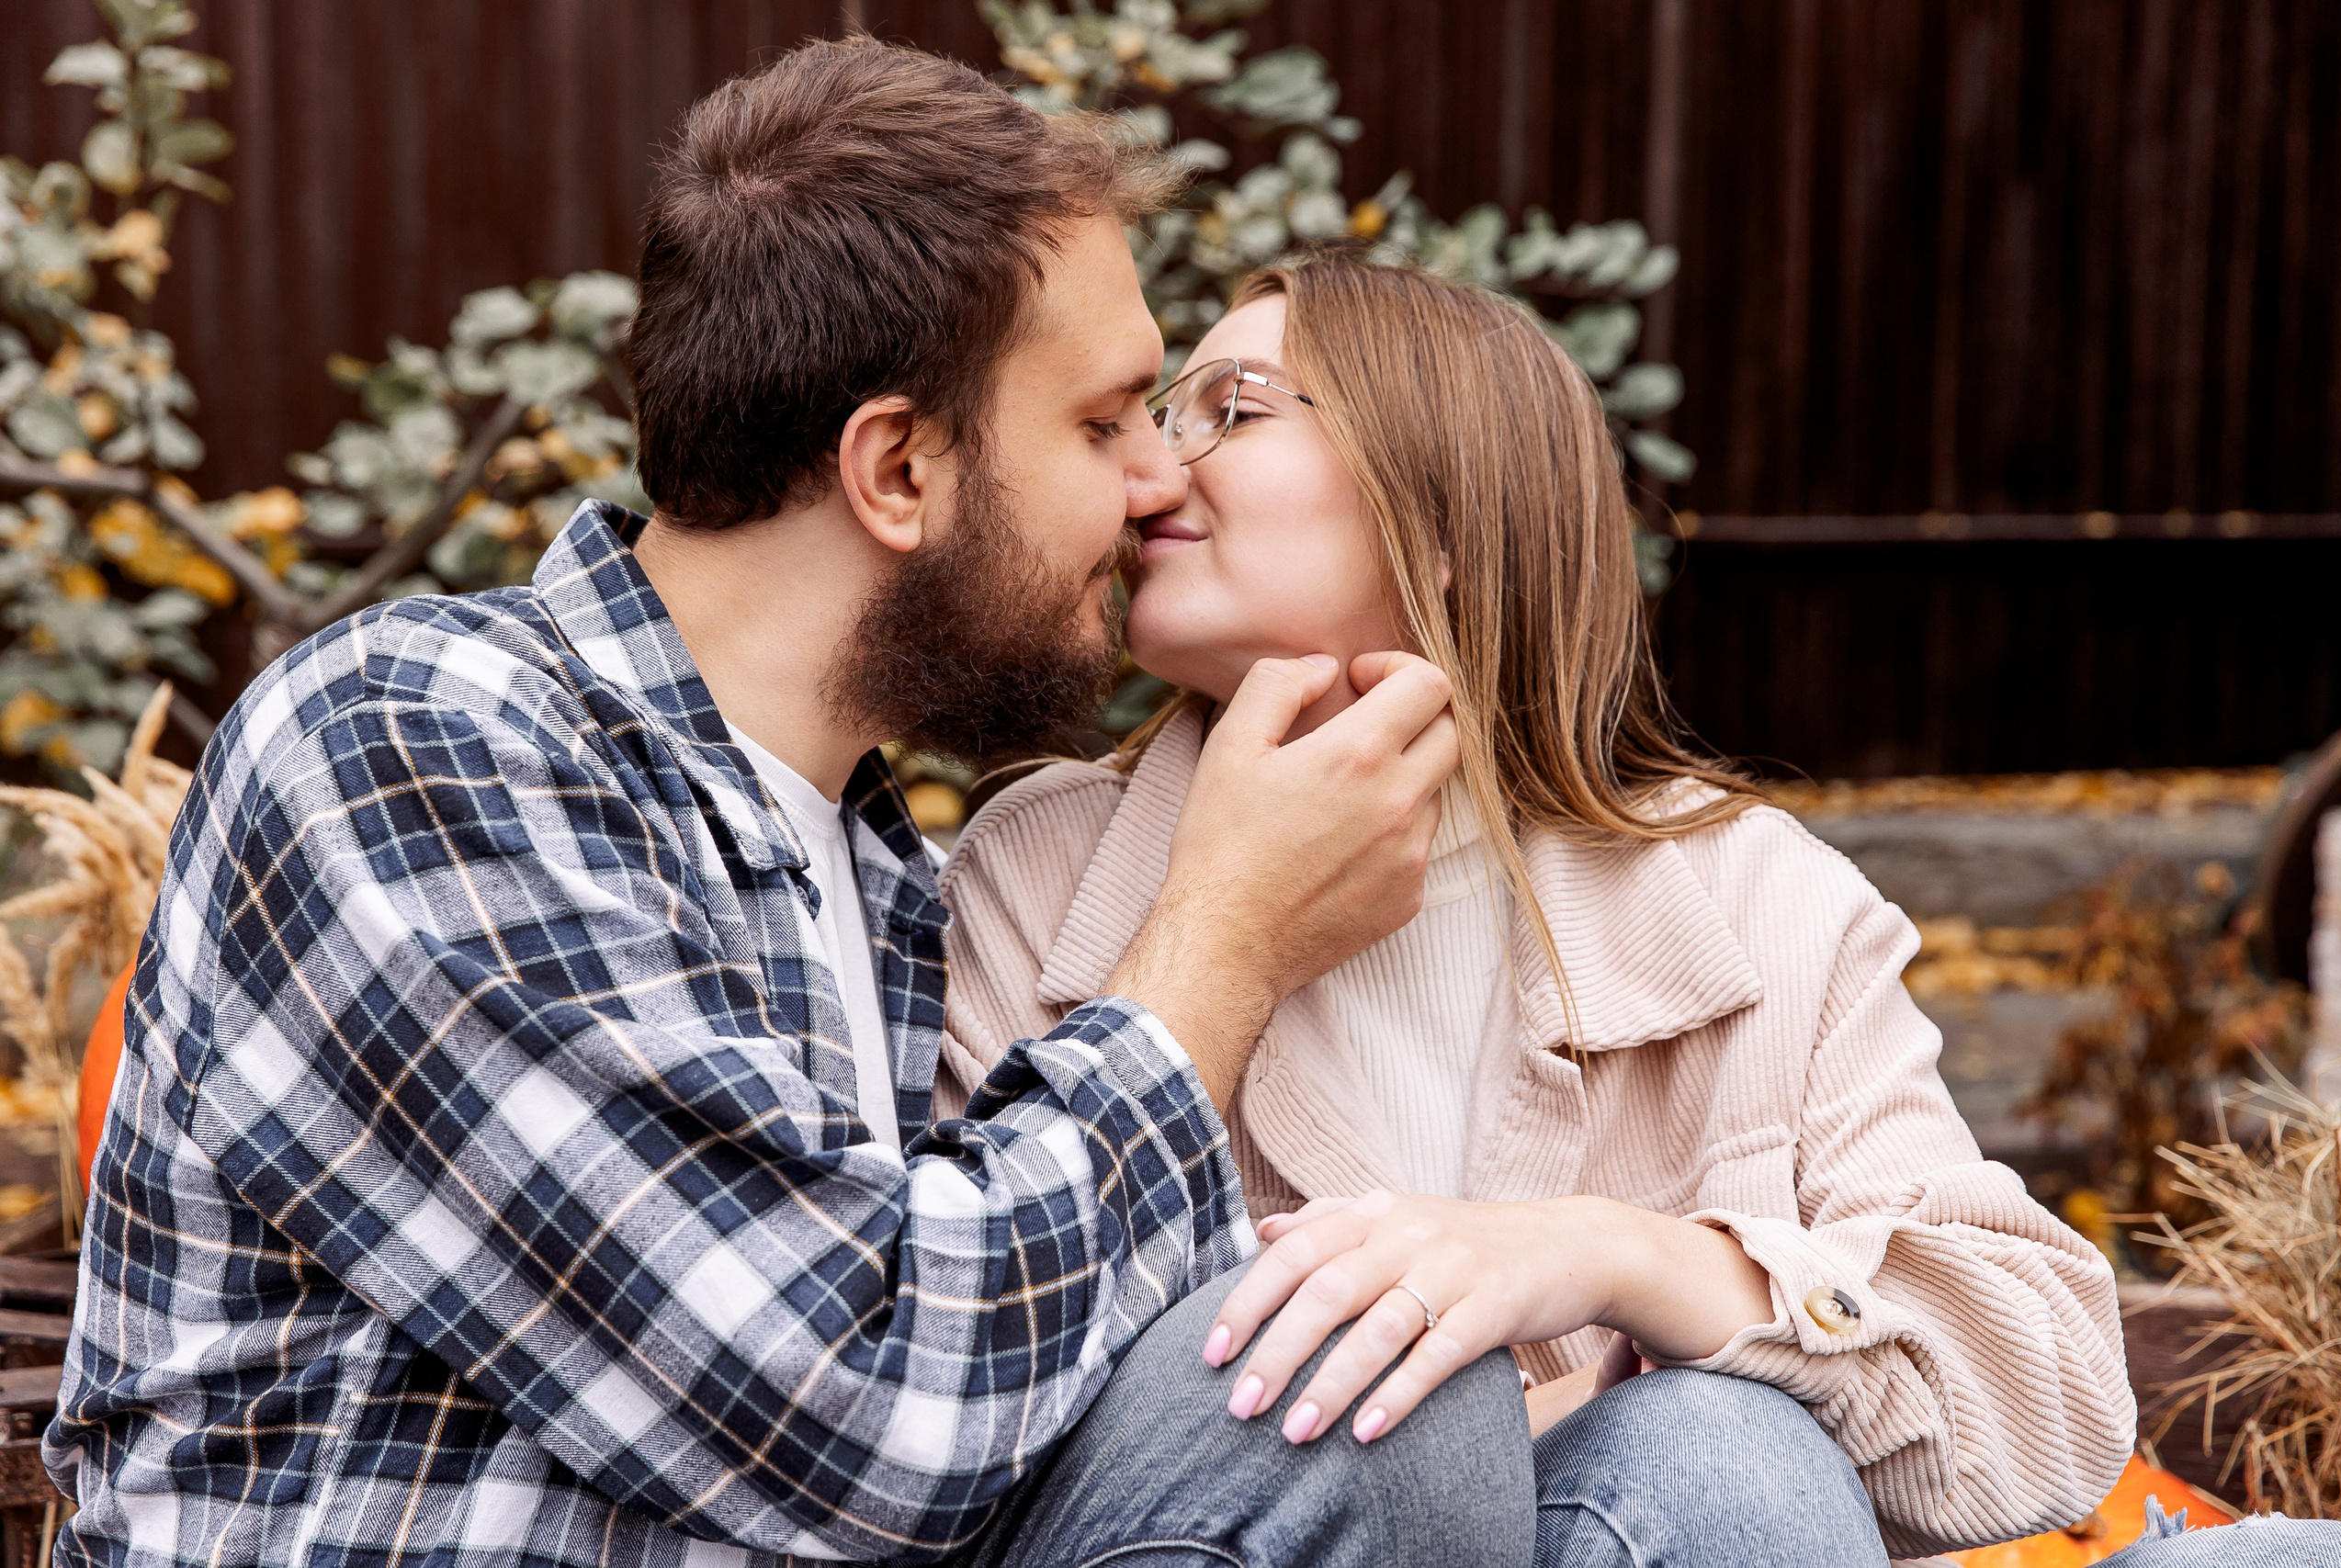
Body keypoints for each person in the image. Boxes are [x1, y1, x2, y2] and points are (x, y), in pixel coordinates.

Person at [43, 40, 1546, 1568]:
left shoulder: (873, 868)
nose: (1157, 480)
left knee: (1666, 1445)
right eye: (1104, 423)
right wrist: (1225, 939)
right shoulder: (412, 738)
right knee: (1386, 1401)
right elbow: (864, 1406)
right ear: (897, 468)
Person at [936, 256, 2341, 1567]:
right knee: (1600, 1432)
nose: (1146, 472)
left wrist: (1623, 1259)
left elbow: (2046, 1402)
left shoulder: (1753, 900)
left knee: (1742, 1460)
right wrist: (1481, 1437)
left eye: (1224, 409)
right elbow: (947, 1396)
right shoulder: (1036, 877)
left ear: (1444, 512)